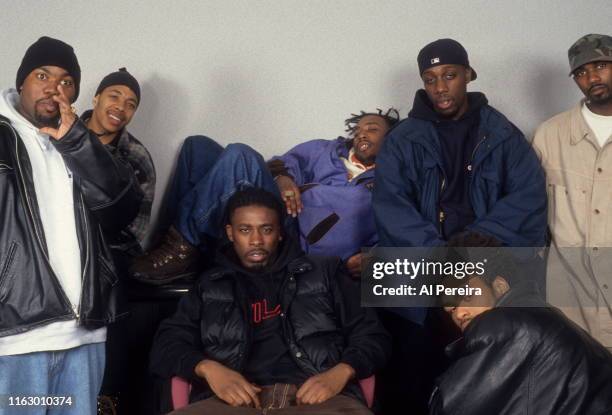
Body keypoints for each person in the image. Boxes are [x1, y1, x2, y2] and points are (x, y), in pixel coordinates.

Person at [371, 38, 548, 413]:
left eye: (449, 75)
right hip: (425, 269)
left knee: (495, 381)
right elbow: (390, 207)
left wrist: (474, 251)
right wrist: (442, 255)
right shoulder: (402, 140)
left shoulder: (502, 134)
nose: (439, 87)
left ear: (468, 74)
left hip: (486, 269)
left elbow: (527, 198)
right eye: (430, 78)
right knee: (411, 376)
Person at [149, 188, 390, 414]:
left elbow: (372, 336)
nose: (256, 240)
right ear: (230, 233)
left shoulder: (325, 271)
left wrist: (340, 372)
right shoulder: (211, 284)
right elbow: (167, 344)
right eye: (245, 230)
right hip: (231, 401)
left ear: (280, 233)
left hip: (318, 398)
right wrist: (209, 369)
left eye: (266, 229)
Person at [0, 36, 142, 414]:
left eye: (65, 81)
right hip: (15, 338)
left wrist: (77, 143)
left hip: (85, 336)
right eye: (42, 75)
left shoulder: (81, 143)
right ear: (21, 83)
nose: (54, 87)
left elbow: (123, 209)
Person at [130, 108, 399, 284]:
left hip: (296, 244)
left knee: (240, 155)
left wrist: (375, 258)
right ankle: (174, 247)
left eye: (372, 128)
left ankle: (180, 247)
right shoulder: (326, 149)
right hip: (278, 213)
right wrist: (284, 179)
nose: (362, 132)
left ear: (391, 139)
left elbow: (397, 233)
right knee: (196, 147)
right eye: (359, 128)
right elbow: (283, 163)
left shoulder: (389, 184)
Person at [431, 238, 612, 415]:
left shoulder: (504, 325)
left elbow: (445, 408)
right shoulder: (539, 315)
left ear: (500, 286)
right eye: (451, 308)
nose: (458, 313)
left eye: (467, 295)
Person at [532, 33, 612, 352]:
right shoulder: (548, 136)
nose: (591, 77)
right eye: (581, 72)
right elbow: (533, 211)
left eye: (602, 65)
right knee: (583, 389)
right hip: (573, 295)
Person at [83, 67, 156, 256]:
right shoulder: (62, 134)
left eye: (130, 104)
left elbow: (136, 229)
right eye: (114, 96)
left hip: (105, 254)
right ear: (96, 98)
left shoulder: (137, 157)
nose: (121, 107)